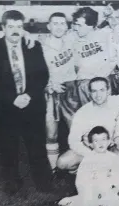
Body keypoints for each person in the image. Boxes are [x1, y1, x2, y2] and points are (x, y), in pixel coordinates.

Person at [0, 10, 53, 194]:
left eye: (19, 27)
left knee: (37, 145)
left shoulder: (33, 45)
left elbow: (42, 75)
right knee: (8, 147)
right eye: (11, 27)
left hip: (32, 103)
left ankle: (43, 182)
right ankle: (12, 183)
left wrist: (29, 95)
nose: (15, 31)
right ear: (3, 28)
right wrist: (12, 98)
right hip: (6, 107)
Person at [65, 126, 119, 206]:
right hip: (91, 192)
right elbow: (81, 182)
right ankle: (76, 203)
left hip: (108, 192)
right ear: (90, 144)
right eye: (96, 141)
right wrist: (93, 204)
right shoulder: (88, 159)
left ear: (109, 142)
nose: (100, 143)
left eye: (103, 139)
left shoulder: (113, 158)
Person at [40, 12, 78, 171]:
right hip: (51, 90)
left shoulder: (71, 37)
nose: (59, 27)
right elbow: (35, 71)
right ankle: (53, 169)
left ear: (67, 26)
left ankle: (75, 167)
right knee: (51, 134)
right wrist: (49, 84)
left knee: (76, 130)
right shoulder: (40, 44)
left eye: (62, 23)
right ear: (48, 26)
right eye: (55, 23)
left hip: (70, 89)